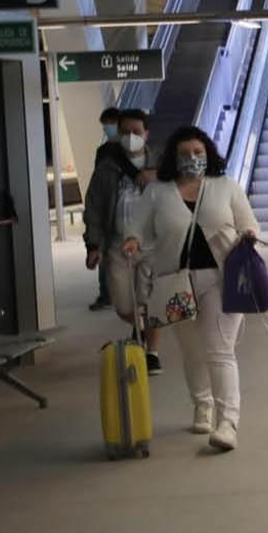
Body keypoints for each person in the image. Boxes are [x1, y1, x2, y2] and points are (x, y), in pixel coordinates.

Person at [123, 126, 258, 451]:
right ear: (173, 158)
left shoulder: (225, 187)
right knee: (192, 350)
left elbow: (248, 221)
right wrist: (133, 239)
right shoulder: (157, 192)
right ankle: (203, 404)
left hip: (222, 279)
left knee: (219, 349)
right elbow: (135, 226)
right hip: (174, 282)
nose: (192, 159)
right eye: (185, 154)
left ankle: (228, 423)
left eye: (198, 153)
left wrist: (249, 235)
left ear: (208, 154)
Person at [85, 109, 163, 373]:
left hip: (153, 245)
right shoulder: (107, 168)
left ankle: (151, 352)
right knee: (122, 304)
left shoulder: (162, 164)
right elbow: (94, 208)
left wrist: (160, 177)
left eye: (137, 132)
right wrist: (93, 245)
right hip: (118, 245)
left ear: (147, 134)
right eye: (126, 132)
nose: (131, 137)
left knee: (151, 300)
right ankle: (140, 327)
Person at [86, 107, 124, 310]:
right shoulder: (103, 152)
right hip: (108, 205)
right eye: (105, 125)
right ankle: (106, 294)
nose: (107, 128)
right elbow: (97, 185)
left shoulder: (130, 150)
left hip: (124, 209)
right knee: (105, 253)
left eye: (110, 124)